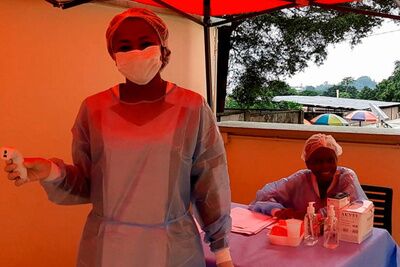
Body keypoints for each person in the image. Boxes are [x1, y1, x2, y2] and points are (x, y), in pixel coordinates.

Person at [4, 8, 233, 267]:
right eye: (124, 46)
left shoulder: (191, 108)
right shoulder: (95, 109)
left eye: (145, 43)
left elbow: (210, 182)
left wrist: (222, 253)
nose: (135, 52)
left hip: (173, 249)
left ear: (163, 49)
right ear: (113, 55)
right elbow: (89, 183)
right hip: (108, 249)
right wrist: (51, 172)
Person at [249, 133, 368, 220]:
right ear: (308, 164)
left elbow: (354, 208)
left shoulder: (347, 177)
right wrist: (278, 211)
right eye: (318, 162)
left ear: (337, 159)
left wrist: (310, 216)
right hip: (303, 239)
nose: (325, 166)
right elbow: (264, 195)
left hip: (339, 239)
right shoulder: (300, 179)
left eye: (330, 160)